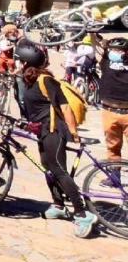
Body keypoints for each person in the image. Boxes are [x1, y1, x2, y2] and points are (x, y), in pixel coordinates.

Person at [14, 41, 98, 237]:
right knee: (47, 168)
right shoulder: (28, 80)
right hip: (42, 131)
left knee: (58, 170)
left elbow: (65, 107)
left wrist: (74, 133)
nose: (16, 63)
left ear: (27, 62)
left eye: (19, 60)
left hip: (54, 131)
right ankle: (59, 204)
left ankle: (82, 212)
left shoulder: (46, 80)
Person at [97, 37, 128, 165]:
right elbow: (96, 46)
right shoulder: (105, 62)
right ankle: (115, 178)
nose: (116, 52)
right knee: (112, 147)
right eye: (113, 49)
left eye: (120, 50)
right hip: (109, 111)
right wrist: (95, 35)